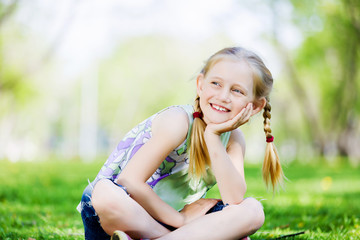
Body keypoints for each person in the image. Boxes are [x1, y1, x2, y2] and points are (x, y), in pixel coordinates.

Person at [78, 47, 285, 240]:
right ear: (200, 85)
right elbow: (129, 181)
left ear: (256, 106)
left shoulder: (234, 140)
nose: (223, 96)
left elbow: (233, 199)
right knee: (105, 192)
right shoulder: (178, 121)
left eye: (237, 91)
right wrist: (181, 220)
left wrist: (212, 136)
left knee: (253, 210)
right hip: (127, 213)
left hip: (179, 227)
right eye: (216, 84)